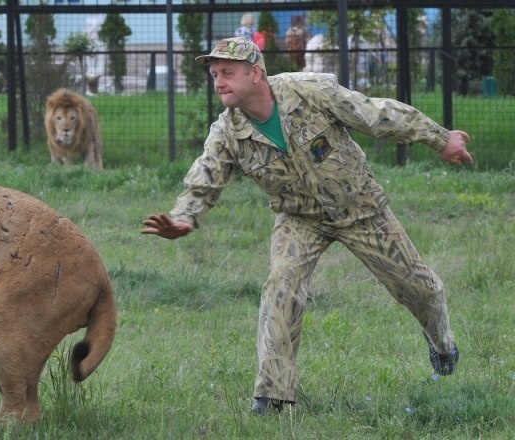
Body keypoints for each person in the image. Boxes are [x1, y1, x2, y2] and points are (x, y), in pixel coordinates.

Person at [141, 37, 471, 415]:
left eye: (228, 72)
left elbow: (376, 115)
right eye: (215, 74)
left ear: (256, 72)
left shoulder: (311, 91)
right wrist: (184, 218)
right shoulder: (227, 131)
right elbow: (204, 178)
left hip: (359, 207)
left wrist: (440, 138)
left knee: (417, 286)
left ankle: (442, 343)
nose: (218, 81)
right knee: (281, 285)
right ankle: (272, 396)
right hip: (299, 218)